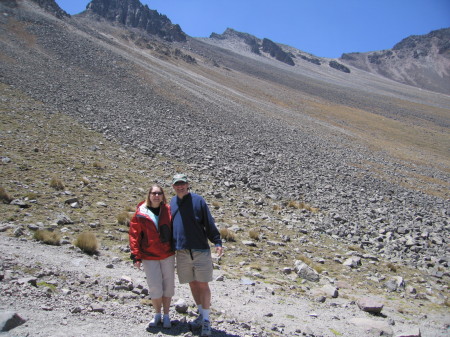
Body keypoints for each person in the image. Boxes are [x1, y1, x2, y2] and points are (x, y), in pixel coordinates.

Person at [170, 173, 223, 337]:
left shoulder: (198, 201)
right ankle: (201, 314)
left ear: (188, 185)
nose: (180, 187)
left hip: (200, 250)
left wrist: (217, 241)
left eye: (183, 184)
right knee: (192, 283)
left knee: (203, 284)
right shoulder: (172, 202)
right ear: (173, 187)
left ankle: (206, 320)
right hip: (182, 251)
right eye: (177, 184)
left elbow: (208, 222)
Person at [129, 184, 175, 330]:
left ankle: (166, 315)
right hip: (149, 255)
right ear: (149, 195)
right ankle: (157, 314)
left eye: (159, 193)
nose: (156, 196)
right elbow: (134, 235)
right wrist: (136, 256)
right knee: (155, 286)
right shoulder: (141, 213)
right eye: (153, 193)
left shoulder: (169, 211)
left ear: (163, 195)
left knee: (168, 286)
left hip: (167, 253)